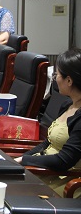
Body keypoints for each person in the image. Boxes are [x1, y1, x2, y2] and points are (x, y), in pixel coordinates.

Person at [15, 48, 81, 197]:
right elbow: (47, 143)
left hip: (66, 182)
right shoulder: (67, 105)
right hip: (45, 172)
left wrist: (25, 160)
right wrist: (19, 159)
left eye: (57, 75)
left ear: (69, 80)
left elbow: (64, 161)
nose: (54, 79)